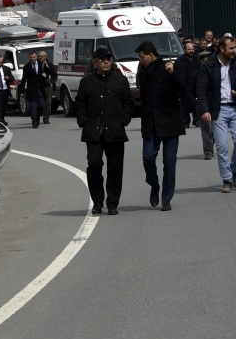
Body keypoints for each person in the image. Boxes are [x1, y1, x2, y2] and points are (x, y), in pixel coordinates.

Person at [75, 47, 134, 215]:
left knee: (115, 167)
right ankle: (97, 202)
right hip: (93, 131)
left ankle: (113, 203)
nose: (106, 61)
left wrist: (123, 120)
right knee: (94, 164)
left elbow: (128, 102)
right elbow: (80, 104)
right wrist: (84, 122)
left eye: (108, 58)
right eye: (102, 59)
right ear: (95, 63)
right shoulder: (86, 82)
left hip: (115, 130)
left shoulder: (119, 81)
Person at [136, 41, 187, 211]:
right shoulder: (142, 70)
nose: (140, 60)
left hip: (170, 120)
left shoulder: (169, 66)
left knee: (169, 161)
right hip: (151, 121)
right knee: (148, 157)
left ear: (151, 55)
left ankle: (166, 198)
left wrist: (173, 74)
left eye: (142, 57)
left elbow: (183, 88)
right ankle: (154, 184)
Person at [195, 35, 236, 193]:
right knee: (222, 147)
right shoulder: (209, 65)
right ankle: (227, 179)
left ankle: (234, 170)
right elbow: (201, 89)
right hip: (218, 111)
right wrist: (204, 110)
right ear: (221, 49)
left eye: (235, 47)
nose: (234, 51)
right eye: (231, 48)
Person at [177, 40, 212, 159]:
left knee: (215, 130)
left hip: (214, 103)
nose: (191, 51)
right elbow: (189, 90)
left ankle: (210, 146)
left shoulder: (215, 73)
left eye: (192, 49)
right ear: (201, 61)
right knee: (206, 128)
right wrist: (196, 103)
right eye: (189, 49)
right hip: (198, 101)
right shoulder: (194, 73)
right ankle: (208, 151)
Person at [21, 52, 50, 128]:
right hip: (31, 89)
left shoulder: (41, 64)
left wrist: (45, 74)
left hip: (40, 88)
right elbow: (23, 79)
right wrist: (22, 91)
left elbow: (48, 71)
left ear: (36, 57)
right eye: (31, 57)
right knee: (33, 106)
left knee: (42, 105)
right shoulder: (27, 67)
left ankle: (37, 117)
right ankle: (34, 121)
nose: (32, 59)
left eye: (33, 57)